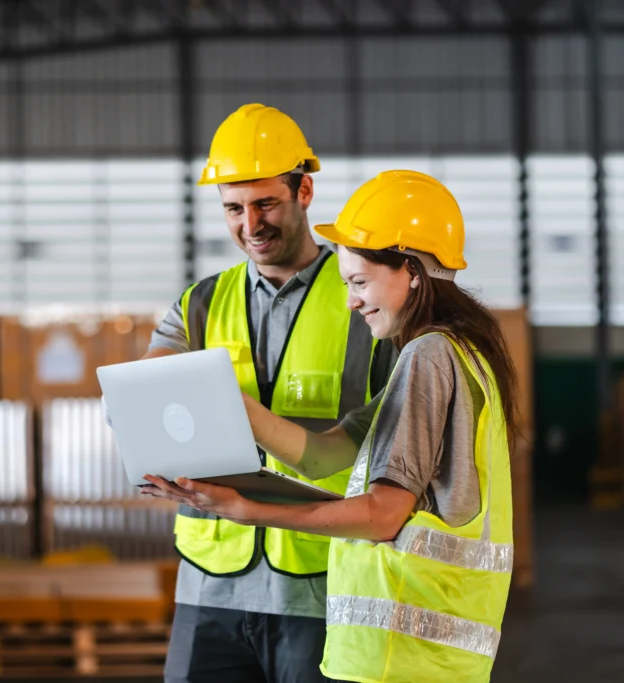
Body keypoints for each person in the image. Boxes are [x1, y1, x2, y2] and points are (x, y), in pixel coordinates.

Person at [143, 170, 517, 683]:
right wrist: (231, 407)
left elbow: (383, 515)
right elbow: (321, 455)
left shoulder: (427, 356)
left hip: (400, 652)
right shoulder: (463, 354)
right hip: (427, 652)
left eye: (360, 283)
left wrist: (248, 510)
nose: (351, 301)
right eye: (347, 285)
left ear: (412, 270)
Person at [143, 103, 399, 683]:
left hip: (319, 576)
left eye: (265, 204)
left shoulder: (363, 300)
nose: (250, 225)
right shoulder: (201, 303)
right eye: (233, 208)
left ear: (304, 191)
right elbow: (148, 393)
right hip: (210, 578)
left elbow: (390, 436)